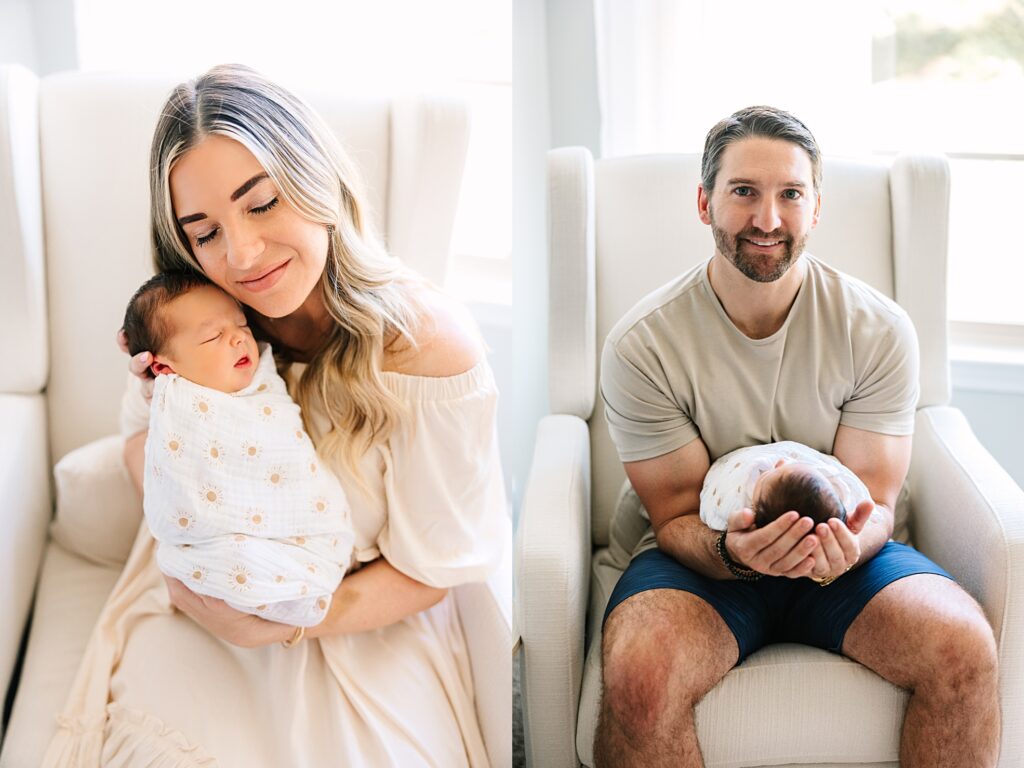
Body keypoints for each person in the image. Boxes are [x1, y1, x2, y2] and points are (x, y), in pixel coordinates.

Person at [43, 64, 506, 767]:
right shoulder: (198, 325)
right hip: (205, 595)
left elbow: (434, 568)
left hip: (362, 618)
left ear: (315, 178)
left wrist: (287, 627)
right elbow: (154, 484)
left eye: (261, 203)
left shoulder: (426, 350)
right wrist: (161, 406)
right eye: (204, 233)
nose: (242, 255)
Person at [594, 106, 1000, 767]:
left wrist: (841, 551)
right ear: (704, 203)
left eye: (790, 194)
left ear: (816, 209)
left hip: (847, 559)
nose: (767, 219)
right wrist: (736, 552)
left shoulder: (877, 330)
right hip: (703, 560)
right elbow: (671, 513)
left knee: (963, 647)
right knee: (640, 673)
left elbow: (873, 498)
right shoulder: (644, 346)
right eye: (743, 192)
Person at [122, 272, 354, 628]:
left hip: (304, 524)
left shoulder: (263, 381)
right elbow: (176, 489)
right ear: (165, 368)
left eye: (241, 324)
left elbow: (283, 453)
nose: (238, 338)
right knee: (231, 560)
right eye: (215, 336)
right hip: (227, 550)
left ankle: (297, 580)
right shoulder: (176, 402)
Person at [700, 440, 867, 532]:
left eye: (766, 477)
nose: (779, 462)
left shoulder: (739, 502)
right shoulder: (835, 483)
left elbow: (716, 514)